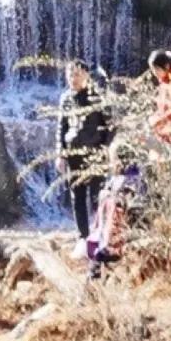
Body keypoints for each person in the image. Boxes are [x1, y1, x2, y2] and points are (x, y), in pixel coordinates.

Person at [58, 65, 116, 239]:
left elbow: (111, 126)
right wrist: (60, 154)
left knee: (97, 196)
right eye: (70, 75)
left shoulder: (98, 97)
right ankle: (82, 236)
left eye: (76, 75)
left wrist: (106, 150)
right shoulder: (66, 98)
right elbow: (61, 128)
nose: (73, 79)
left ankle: (100, 235)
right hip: (73, 154)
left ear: (86, 76)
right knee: (77, 197)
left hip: (95, 154)